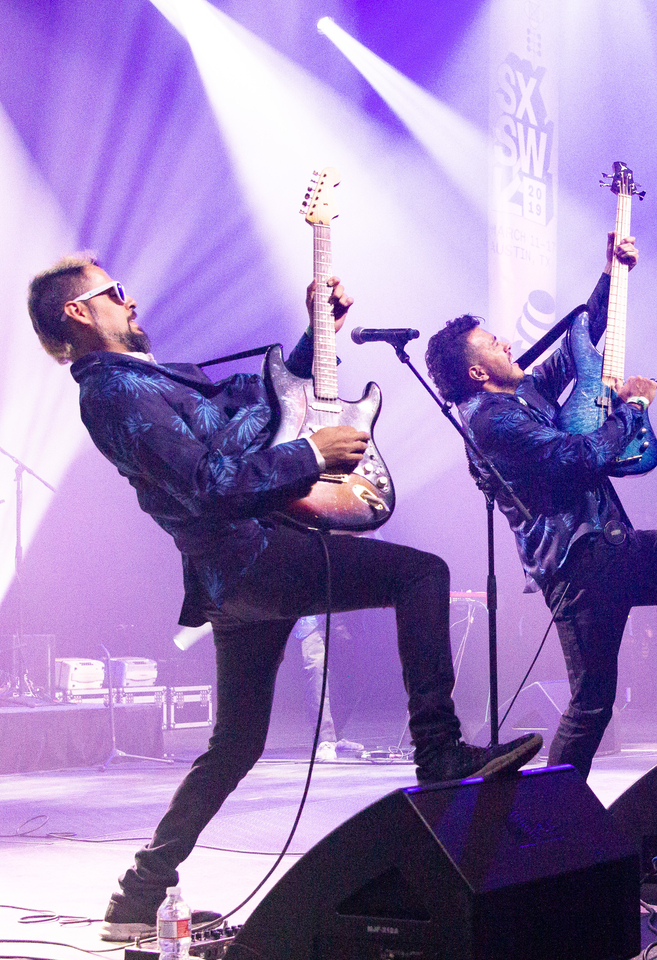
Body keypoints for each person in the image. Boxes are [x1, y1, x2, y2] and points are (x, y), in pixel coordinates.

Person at [26, 254, 541, 941]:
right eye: (115, 292)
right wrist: (312, 456)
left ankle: (139, 894)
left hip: (237, 573)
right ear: (78, 311)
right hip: (253, 559)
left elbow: (258, 411)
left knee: (236, 743)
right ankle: (439, 750)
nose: (132, 301)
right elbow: (210, 482)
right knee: (421, 575)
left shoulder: (142, 379)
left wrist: (313, 336)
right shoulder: (116, 392)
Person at [423, 233, 657, 780]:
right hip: (580, 569)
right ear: (476, 373)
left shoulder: (521, 395)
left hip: (617, 549)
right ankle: (548, 821)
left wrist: (611, 273)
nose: (507, 346)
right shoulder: (489, 420)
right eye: (495, 345)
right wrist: (633, 406)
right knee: (593, 702)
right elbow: (578, 458)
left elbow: (580, 341)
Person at [289, 614, 365, 761]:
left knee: (353, 677)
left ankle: (335, 733)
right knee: (316, 669)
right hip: (311, 617)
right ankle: (325, 739)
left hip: (342, 615)